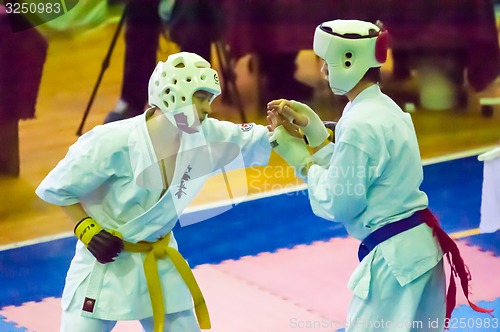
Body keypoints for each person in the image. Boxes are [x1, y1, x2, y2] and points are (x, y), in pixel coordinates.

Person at [266, 19, 492, 331]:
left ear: (348, 60)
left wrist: (301, 161)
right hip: (419, 256)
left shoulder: (360, 123)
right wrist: (318, 140)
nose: (322, 72)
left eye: (325, 63)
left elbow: (341, 201)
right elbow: (359, 176)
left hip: (395, 267)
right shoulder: (384, 109)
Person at [36, 51, 272, 332]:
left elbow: (259, 138)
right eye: (201, 98)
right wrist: (87, 229)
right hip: (105, 262)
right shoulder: (110, 142)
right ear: (174, 95)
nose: (208, 109)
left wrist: (316, 132)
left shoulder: (205, 135)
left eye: (210, 100)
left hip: (160, 262)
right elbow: (59, 189)